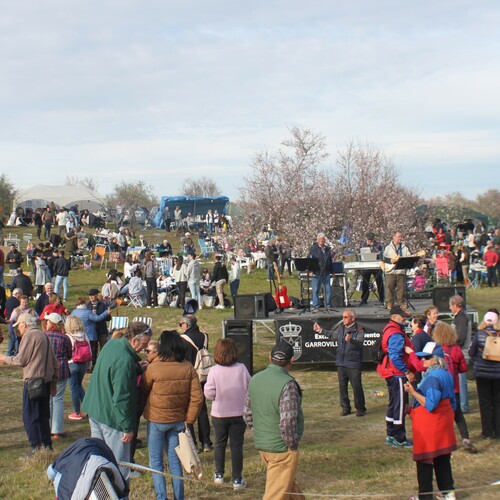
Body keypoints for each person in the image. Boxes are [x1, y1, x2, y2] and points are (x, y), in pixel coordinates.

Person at [142, 330, 203, 500]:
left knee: (156, 463)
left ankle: (162, 497)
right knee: (176, 463)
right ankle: (179, 497)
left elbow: (144, 389)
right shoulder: (188, 368)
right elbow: (197, 398)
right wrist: (189, 420)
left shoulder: (153, 367)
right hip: (178, 421)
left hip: (156, 420)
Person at [81, 325, 146, 482]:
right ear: (135, 340)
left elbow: (112, 372)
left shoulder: (111, 344)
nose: (144, 349)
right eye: (144, 344)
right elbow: (122, 398)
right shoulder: (125, 361)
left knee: (99, 461)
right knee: (119, 468)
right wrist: (127, 428)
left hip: (95, 410)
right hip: (112, 418)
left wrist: (136, 368)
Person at [243, 340, 304, 499]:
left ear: (269, 358)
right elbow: (288, 421)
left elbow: (247, 414)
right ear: (292, 360)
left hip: (263, 445)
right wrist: (292, 446)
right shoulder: (288, 384)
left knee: (289, 488)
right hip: (281, 448)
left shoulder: (255, 379)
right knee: (275, 495)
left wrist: (262, 432)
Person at [0, 314, 58, 458]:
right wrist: (54, 383)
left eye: (18, 326)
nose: (18, 330)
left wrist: (4, 359)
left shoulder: (29, 336)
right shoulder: (44, 336)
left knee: (30, 416)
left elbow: (21, 359)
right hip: (46, 381)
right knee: (43, 415)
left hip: (33, 381)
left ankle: (35, 447)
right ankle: (46, 445)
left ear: (24, 324)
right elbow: (54, 361)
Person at [404, 342, 457, 500]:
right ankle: (448, 492)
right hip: (444, 421)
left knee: (425, 462)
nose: (423, 361)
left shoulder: (433, 378)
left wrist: (412, 392)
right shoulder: (446, 374)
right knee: (442, 458)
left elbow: (431, 404)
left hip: (430, 425)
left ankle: (425, 496)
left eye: (426, 358)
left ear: (435, 360)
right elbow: (453, 402)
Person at [204, 338, 251, 489]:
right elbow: (250, 387)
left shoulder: (214, 371)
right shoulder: (242, 368)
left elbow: (209, 393)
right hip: (238, 413)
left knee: (219, 444)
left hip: (219, 414)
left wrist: (217, 396)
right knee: (237, 446)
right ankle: (237, 479)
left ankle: (219, 474)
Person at [429, 322, 477, 453]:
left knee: (441, 416)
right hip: (453, 387)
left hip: (439, 388)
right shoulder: (456, 349)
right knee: (458, 415)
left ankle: (443, 441)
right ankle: (465, 438)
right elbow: (463, 368)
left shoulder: (435, 349)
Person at [313, 309, 366, 416]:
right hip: (341, 363)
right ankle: (345, 407)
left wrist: (351, 340)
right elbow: (333, 335)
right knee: (342, 387)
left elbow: (360, 343)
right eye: (343, 317)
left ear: (353, 318)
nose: (343, 319)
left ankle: (360, 408)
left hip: (353, 363)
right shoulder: (341, 327)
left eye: (346, 317)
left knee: (357, 387)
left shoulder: (359, 330)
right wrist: (321, 330)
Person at [377, 305, 416, 447]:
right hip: (397, 373)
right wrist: (407, 371)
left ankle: (390, 433)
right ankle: (399, 437)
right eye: (402, 316)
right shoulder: (396, 333)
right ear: (394, 317)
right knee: (399, 405)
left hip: (390, 371)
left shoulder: (390, 329)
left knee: (393, 404)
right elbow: (395, 356)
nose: (405, 318)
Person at [179, 314, 213, 451]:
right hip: (203, 376)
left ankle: (193, 443)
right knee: (202, 409)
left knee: (189, 410)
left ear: (186, 325)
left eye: (180, 324)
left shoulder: (183, 339)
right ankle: (206, 442)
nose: (180, 326)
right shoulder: (205, 336)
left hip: (190, 376)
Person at [468, 311, 500, 439]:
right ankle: (498, 431)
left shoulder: (479, 334)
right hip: (498, 373)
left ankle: (487, 431)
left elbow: (471, 352)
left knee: (485, 402)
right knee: (498, 402)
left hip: (482, 373)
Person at [45, 312, 72, 439]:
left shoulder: (44, 336)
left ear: (53, 324)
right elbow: (69, 355)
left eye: (48, 321)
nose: (46, 323)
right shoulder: (65, 338)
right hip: (61, 369)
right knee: (58, 400)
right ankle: (57, 430)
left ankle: (48, 428)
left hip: (47, 370)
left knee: (49, 400)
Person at [71, 297, 111, 369]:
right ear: (84, 303)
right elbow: (97, 318)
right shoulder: (87, 312)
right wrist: (106, 313)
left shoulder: (74, 312)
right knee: (92, 352)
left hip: (78, 335)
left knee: (82, 352)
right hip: (91, 335)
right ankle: (92, 366)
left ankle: (85, 366)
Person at [65, 315, 90, 420]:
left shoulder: (68, 336)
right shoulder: (84, 335)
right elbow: (90, 349)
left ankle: (77, 411)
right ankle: (89, 409)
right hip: (83, 363)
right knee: (79, 386)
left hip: (72, 363)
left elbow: (67, 351)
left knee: (74, 388)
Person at [449, 294, 470, 413]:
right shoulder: (460, 317)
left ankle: (463, 406)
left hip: (461, 352)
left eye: (451, 305)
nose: (450, 308)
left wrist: (450, 342)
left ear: (456, 305)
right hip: (459, 351)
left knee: (461, 381)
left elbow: (461, 337)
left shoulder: (461, 318)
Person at [383, 231, 411, 309]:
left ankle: (401, 303)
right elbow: (383, 258)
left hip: (400, 271)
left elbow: (408, 257)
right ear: (394, 237)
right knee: (389, 287)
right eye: (398, 237)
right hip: (390, 271)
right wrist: (390, 261)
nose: (400, 238)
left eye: (401, 237)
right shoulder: (388, 247)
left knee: (401, 288)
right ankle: (389, 303)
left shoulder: (405, 248)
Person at [308, 233, 334, 310]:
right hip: (317, 272)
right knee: (316, 290)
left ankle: (328, 305)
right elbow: (309, 260)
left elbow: (330, 260)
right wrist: (310, 270)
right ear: (317, 240)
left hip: (326, 272)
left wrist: (332, 271)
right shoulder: (313, 249)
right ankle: (316, 306)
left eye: (323, 240)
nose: (321, 241)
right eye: (320, 240)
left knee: (328, 289)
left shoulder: (327, 249)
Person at [87, 288, 112, 362]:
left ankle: (104, 362)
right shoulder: (88, 306)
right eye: (89, 296)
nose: (90, 297)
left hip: (101, 330)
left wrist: (107, 314)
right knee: (93, 350)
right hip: (92, 332)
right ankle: (93, 364)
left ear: (97, 296)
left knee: (103, 348)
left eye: (92, 295)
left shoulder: (102, 305)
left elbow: (108, 318)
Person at [359, 232, 384, 305]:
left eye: (371, 239)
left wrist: (374, 247)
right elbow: (360, 254)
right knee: (365, 282)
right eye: (369, 239)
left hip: (376, 265)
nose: (370, 241)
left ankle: (382, 298)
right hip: (366, 265)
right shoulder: (362, 245)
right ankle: (364, 299)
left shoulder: (378, 245)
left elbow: (380, 254)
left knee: (379, 282)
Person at [5, 288, 22, 356]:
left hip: (9, 320)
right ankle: (16, 353)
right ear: (17, 294)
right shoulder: (17, 302)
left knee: (12, 337)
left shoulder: (8, 300)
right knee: (17, 337)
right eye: (20, 293)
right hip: (15, 321)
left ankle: (10, 352)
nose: (21, 295)